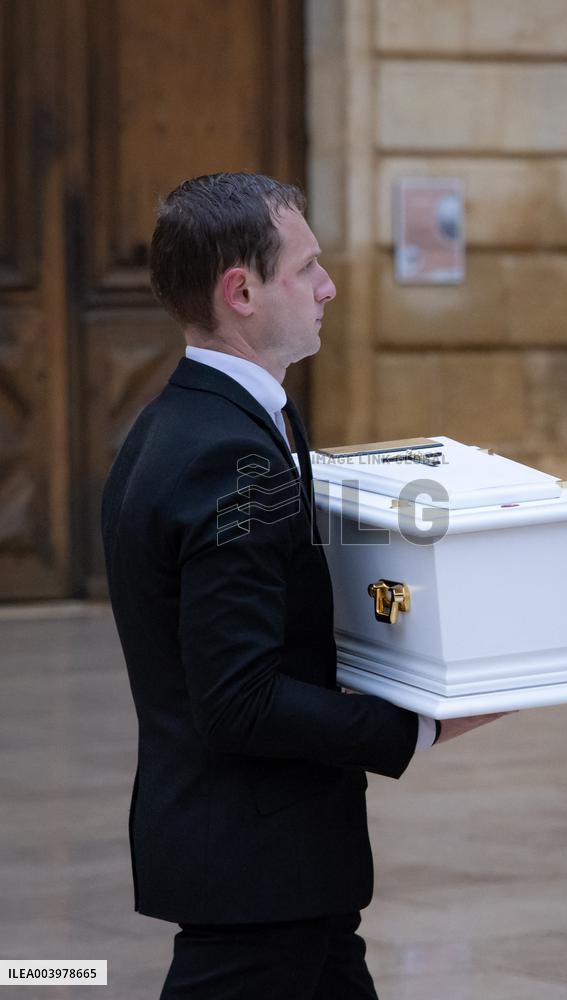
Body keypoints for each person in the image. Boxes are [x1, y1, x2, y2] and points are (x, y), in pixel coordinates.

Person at [101, 172, 506, 999]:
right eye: (305, 268)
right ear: (241, 291)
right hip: (254, 870)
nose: (328, 287)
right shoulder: (231, 453)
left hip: (283, 865)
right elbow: (239, 697)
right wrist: (416, 728)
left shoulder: (200, 419)